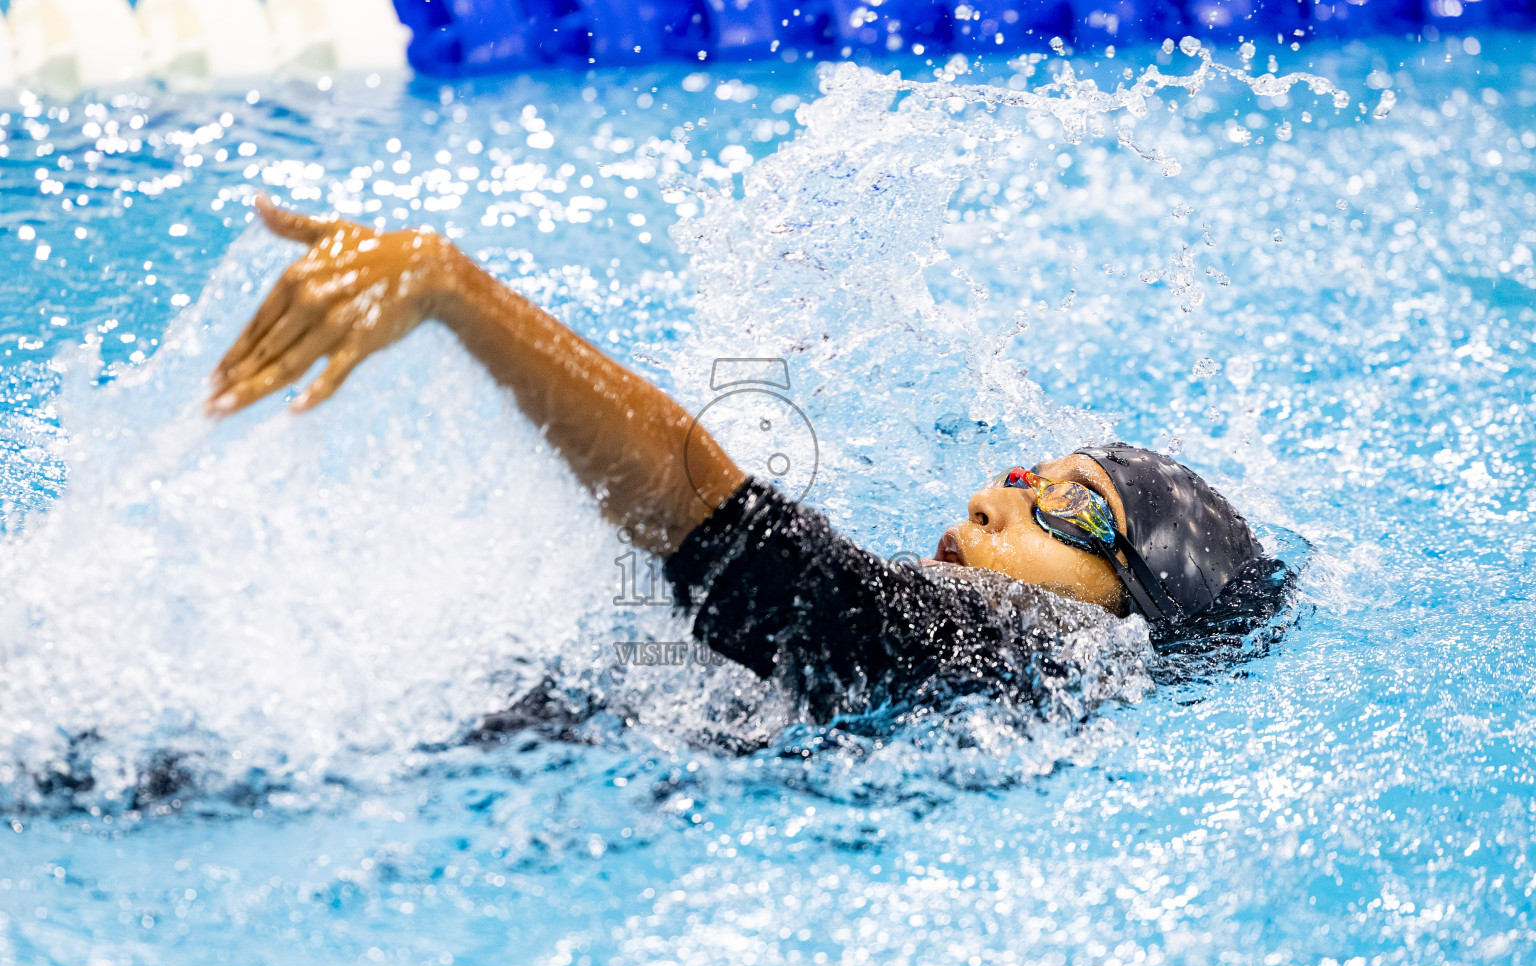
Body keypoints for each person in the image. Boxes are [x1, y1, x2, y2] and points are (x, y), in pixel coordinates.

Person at [206, 197, 1290, 725]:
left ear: (1139, 610)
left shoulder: (1055, 650)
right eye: (1021, 476)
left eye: (1073, 509)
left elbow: (744, 551)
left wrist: (458, 290)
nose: (997, 497)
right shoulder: (987, 687)